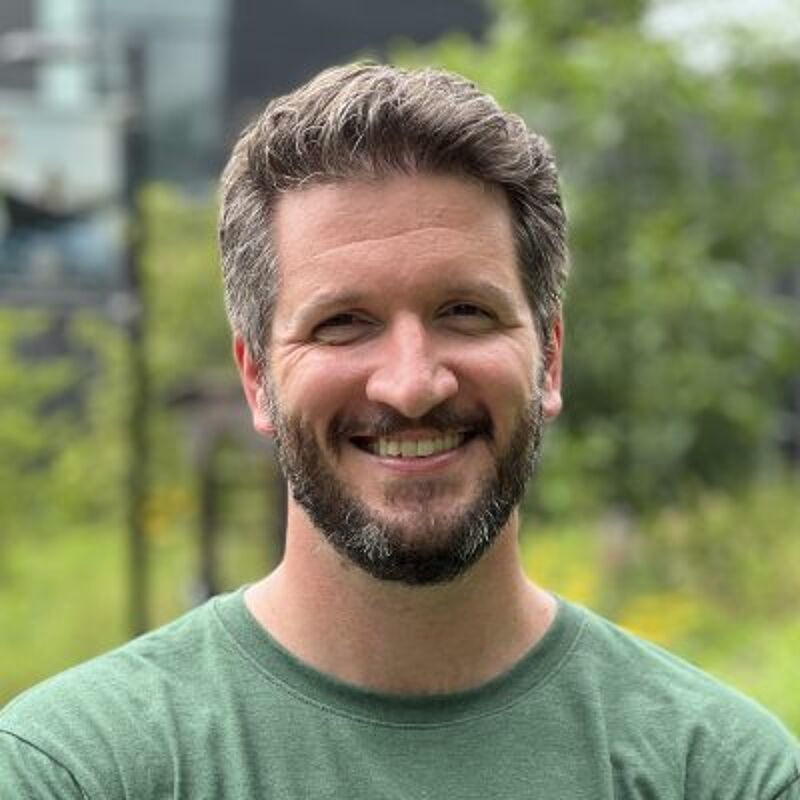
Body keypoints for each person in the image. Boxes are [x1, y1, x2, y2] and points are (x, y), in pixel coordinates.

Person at [1, 62, 798, 799]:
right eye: (344, 323)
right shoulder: (75, 770)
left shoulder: (721, 774)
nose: (412, 384)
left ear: (549, 357)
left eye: (465, 312)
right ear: (256, 378)